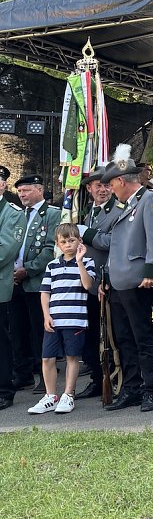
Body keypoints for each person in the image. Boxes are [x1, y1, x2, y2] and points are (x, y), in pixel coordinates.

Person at [92, 145, 153, 412]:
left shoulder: (149, 200)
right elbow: (116, 245)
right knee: (124, 338)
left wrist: (152, 273)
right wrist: (106, 278)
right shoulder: (123, 206)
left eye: (112, 183)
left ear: (121, 181)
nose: (110, 188)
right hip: (117, 283)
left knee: (142, 338)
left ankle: (149, 390)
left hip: (139, 282)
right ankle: (131, 388)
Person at [28, 224, 95, 414]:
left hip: (75, 319)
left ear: (79, 241)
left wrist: (80, 261)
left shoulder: (87, 262)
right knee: (47, 357)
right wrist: (46, 315)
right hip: (54, 319)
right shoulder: (52, 265)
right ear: (57, 244)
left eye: (72, 240)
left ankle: (68, 394)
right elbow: (45, 293)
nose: (68, 245)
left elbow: (88, 285)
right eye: (63, 242)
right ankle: (50, 395)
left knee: (71, 357)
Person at [10, 174, 61, 393]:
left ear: (39, 189)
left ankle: (45, 377)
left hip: (37, 282)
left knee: (39, 330)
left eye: (26, 190)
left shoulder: (51, 214)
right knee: (17, 330)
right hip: (13, 281)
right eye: (20, 191)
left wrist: (27, 269)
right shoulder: (18, 215)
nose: (22, 195)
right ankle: (23, 374)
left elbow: (50, 249)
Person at [76, 167, 123, 399]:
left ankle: (116, 378)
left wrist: (87, 234)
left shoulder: (118, 211)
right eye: (98, 186)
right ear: (89, 188)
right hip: (89, 282)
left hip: (108, 281)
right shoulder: (88, 212)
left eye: (107, 185)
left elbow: (116, 242)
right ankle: (97, 378)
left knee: (113, 336)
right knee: (92, 334)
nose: (103, 190)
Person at [0, 166, 26, 411]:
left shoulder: (13, 213)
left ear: (3, 185)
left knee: (1, 341)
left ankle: (4, 390)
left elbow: (6, 248)